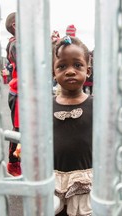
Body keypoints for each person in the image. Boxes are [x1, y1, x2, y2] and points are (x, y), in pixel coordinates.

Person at [52, 36, 93, 216]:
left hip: (84, 182)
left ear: (88, 70)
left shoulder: (96, 105)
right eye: (62, 66)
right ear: (54, 72)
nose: (70, 71)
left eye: (77, 65)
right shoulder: (46, 105)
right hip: (53, 181)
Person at [5, 12, 21, 176]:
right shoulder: (16, 44)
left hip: (24, 92)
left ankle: (20, 160)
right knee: (19, 130)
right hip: (19, 94)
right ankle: (13, 164)